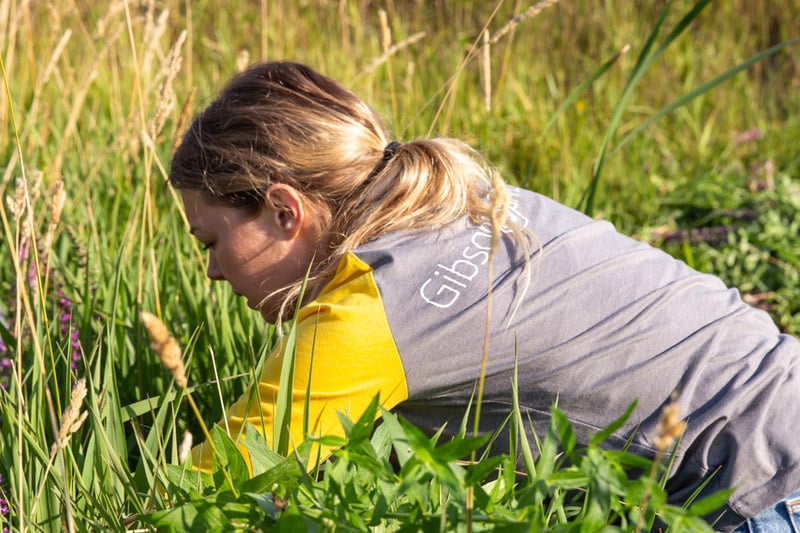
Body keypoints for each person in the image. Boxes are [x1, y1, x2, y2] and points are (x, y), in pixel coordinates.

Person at [168, 61, 800, 532]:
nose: (213, 274)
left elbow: (216, 484)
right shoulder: (464, 199)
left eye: (212, 242)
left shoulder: (370, 313)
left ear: (283, 209)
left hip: (753, 489)